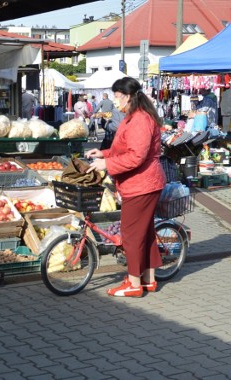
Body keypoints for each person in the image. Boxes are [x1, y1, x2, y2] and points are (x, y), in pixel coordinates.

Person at [85, 77, 166, 298]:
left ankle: (133, 284)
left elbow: (136, 157)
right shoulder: (133, 117)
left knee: (130, 235)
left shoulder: (140, 119)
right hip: (142, 183)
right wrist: (103, 153)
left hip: (142, 184)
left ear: (128, 96)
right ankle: (148, 280)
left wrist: (107, 163)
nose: (115, 100)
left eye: (118, 96)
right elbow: (124, 148)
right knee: (145, 233)